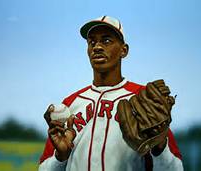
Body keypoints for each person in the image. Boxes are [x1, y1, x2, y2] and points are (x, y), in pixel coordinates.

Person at [38, 16, 183, 171]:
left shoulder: (144, 99)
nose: (97, 47)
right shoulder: (70, 103)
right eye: (92, 42)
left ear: (124, 50)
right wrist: (61, 157)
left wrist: (160, 147)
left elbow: (176, 168)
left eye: (106, 41)